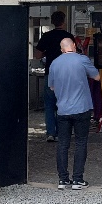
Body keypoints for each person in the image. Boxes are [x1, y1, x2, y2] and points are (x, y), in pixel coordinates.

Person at [47, 36, 99, 190]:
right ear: (74, 46)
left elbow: (51, 87)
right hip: (81, 108)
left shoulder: (55, 63)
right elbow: (96, 76)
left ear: (62, 49)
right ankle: (78, 180)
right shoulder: (82, 60)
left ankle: (63, 180)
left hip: (63, 109)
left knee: (63, 144)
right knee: (81, 142)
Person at [34, 11, 75, 142]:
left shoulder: (46, 36)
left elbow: (38, 55)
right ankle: (63, 132)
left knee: (50, 104)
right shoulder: (68, 37)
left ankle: (51, 133)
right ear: (64, 21)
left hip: (51, 74)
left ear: (52, 21)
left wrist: (48, 52)